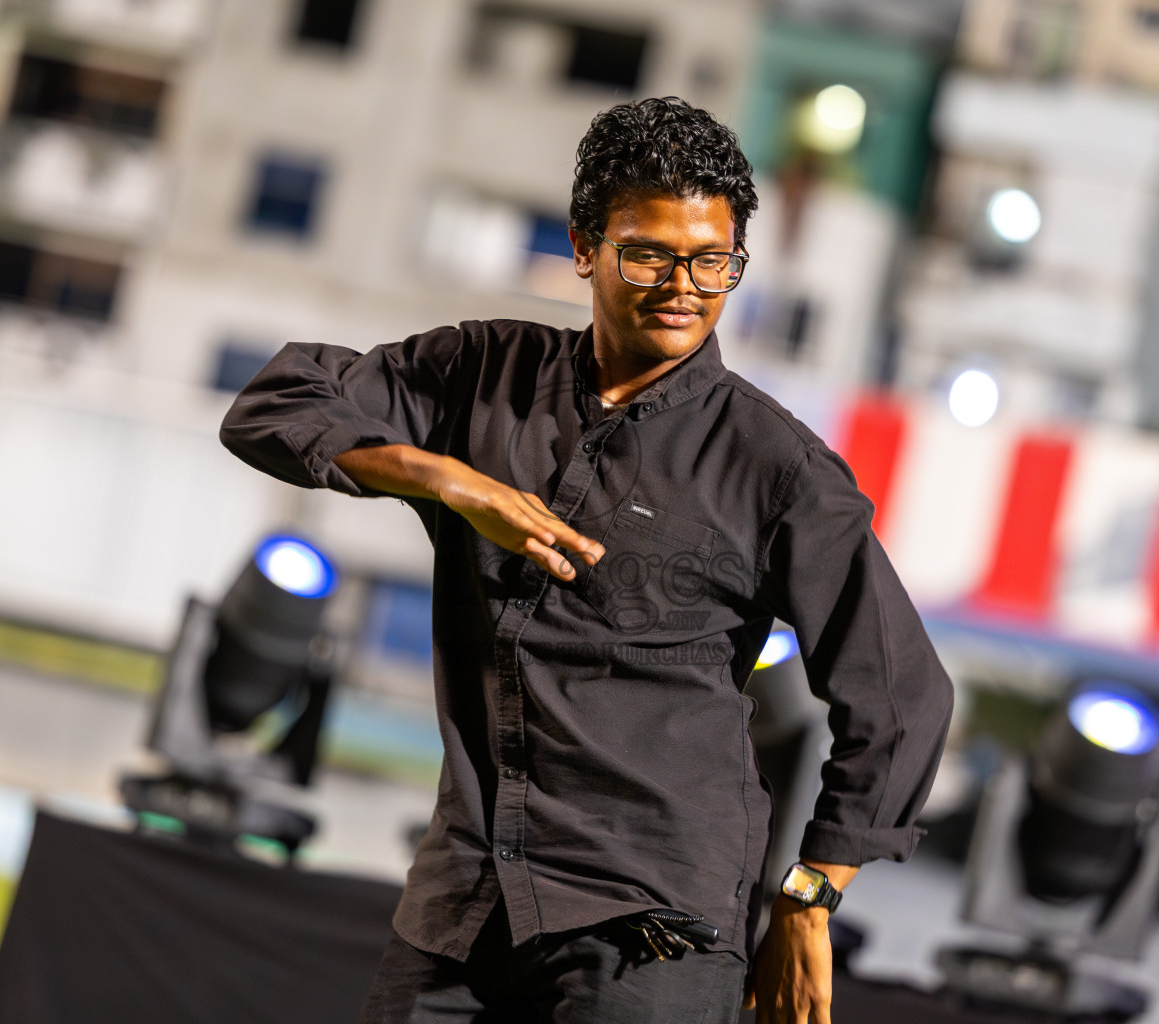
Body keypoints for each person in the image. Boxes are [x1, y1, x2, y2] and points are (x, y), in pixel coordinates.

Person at [220, 96, 954, 1024]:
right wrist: (444, 480)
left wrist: (809, 900)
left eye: (714, 261)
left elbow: (900, 696)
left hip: (656, 927)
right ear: (584, 246)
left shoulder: (782, 470)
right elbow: (274, 404)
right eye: (649, 253)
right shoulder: (478, 373)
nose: (684, 284)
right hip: (466, 900)